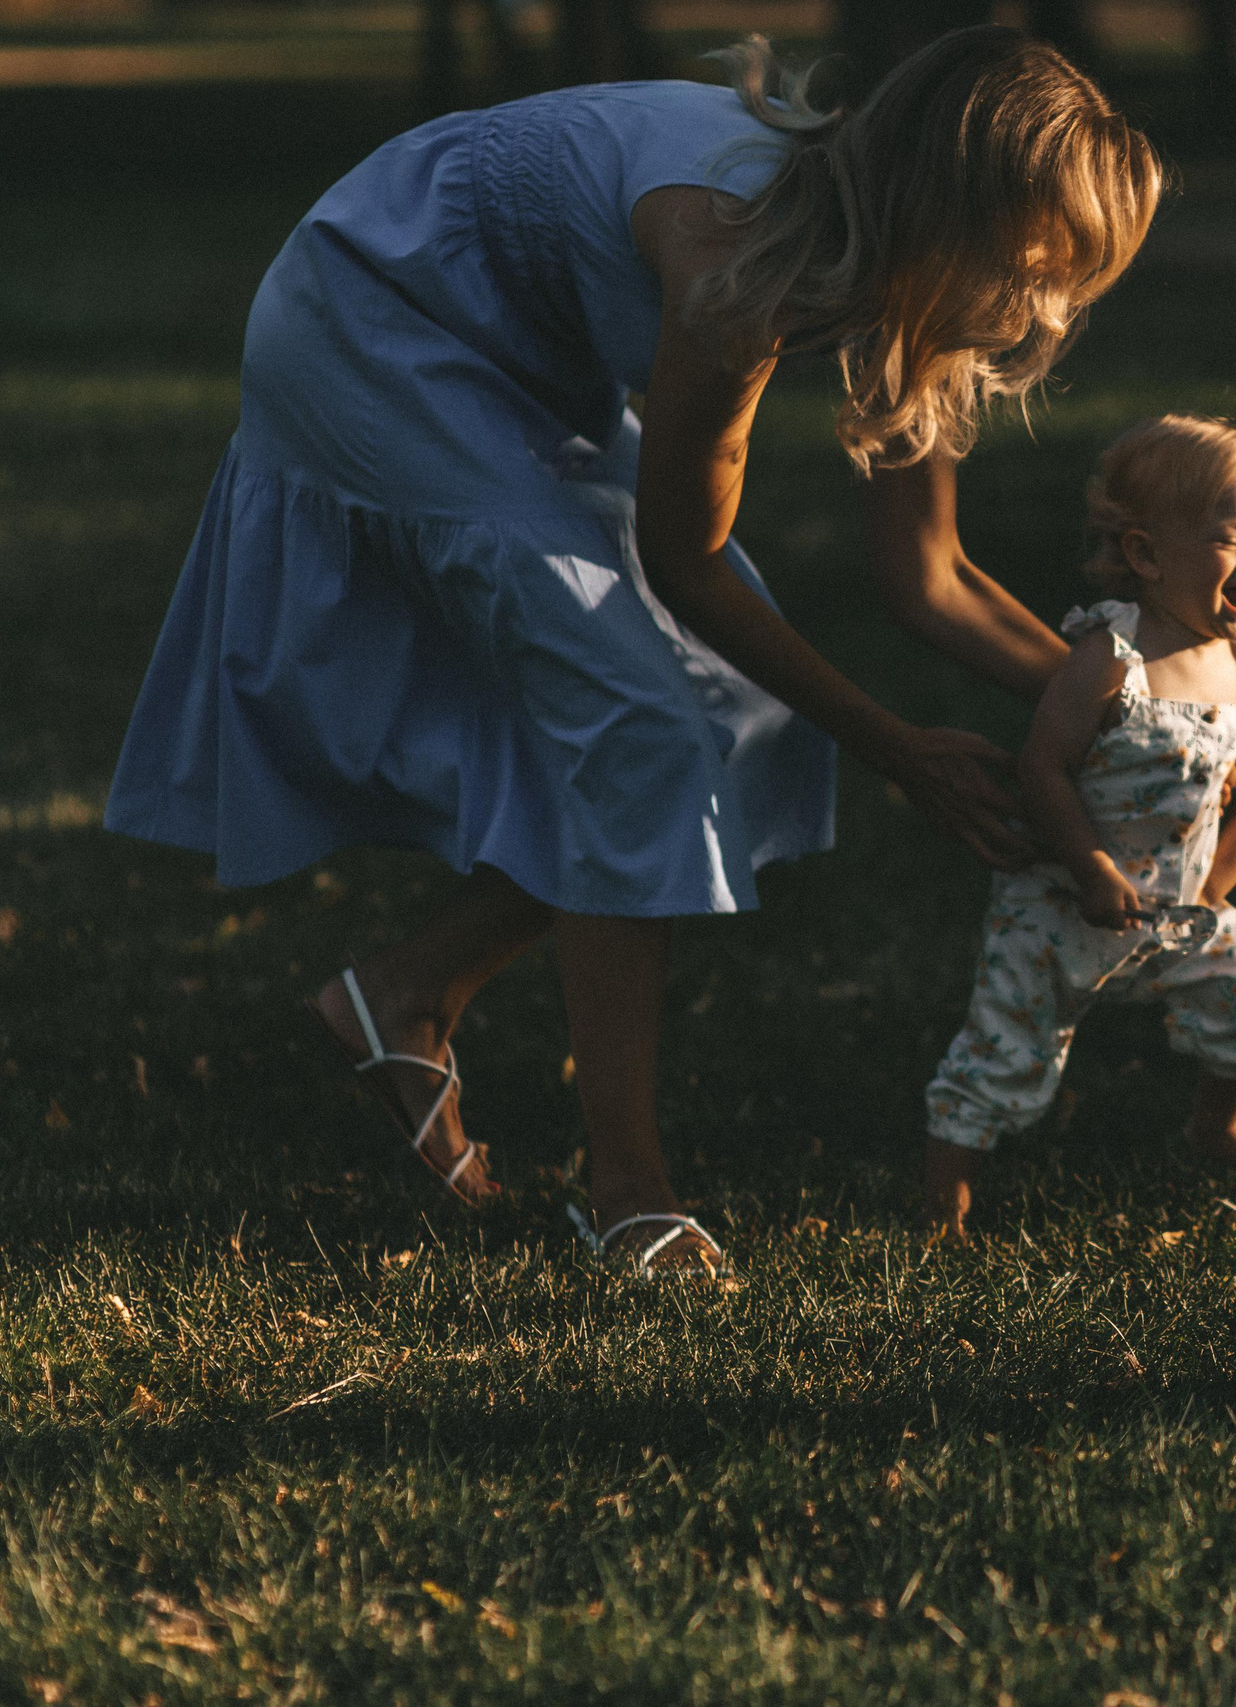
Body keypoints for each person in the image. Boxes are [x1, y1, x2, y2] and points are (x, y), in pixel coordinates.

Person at [101, 28, 1161, 1272]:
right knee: (647, 727)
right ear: (942, 206)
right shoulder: (735, 250)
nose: (1044, 312)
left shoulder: (896, 268)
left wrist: (1139, 710)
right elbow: (685, 561)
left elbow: (928, 578)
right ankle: (627, 1196)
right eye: (1033, 269)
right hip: (372, 322)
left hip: (514, 362)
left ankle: (405, 995)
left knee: (735, 712)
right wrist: (895, 749)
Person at [921, 415, 1236, 1238]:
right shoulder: (1110, 656)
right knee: (1005, 1046)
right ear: (1146, 554)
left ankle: (1217, 1124)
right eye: (1233, 540)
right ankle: (946, 1196)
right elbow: (1043, 765)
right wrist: (1092, 865)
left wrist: (1211, 888)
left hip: (1183, 909)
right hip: (1064, 901)